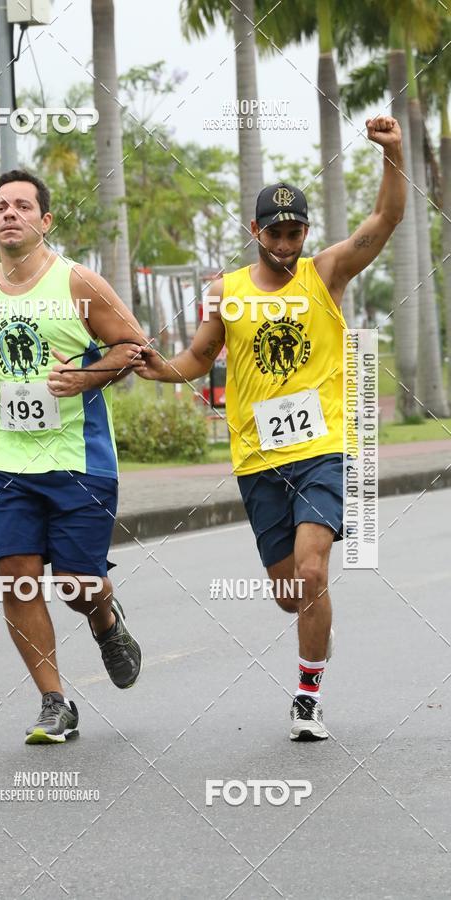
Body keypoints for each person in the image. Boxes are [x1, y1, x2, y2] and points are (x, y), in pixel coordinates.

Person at [139, 116, 406, 740]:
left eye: (294, 232)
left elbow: (385, 219)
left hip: (323, 448)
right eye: (274, 232)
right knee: (291, 593)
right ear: (255, 231)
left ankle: (308, 695)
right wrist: (159, 369)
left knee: (313, 572)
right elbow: (199, 357)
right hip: (259, 460)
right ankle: (316, 624)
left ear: (305, 232)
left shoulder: (326, 273)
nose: (284, 243)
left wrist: (392, 153)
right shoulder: (225, 292)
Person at [0, 169, 148, 744]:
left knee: (76, 584)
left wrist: (86, 378)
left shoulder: (78, 282)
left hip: (78, 458)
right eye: (0, 207)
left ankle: (106, 618)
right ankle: (54, 701)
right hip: (7, 458)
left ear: (45, 220)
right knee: (17, 579)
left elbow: (134, 346)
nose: (9, 214)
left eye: (21, 206)